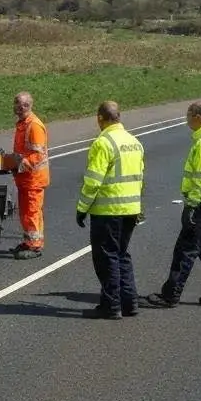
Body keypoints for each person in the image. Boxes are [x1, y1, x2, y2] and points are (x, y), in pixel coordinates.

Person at [147, 101, 201, 308]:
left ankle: (170, 295)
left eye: (189, 115)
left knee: (185, 250)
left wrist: (192, 205)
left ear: (199, 117)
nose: (186, 120)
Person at [75, 100, 145, 319]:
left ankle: (111, 306)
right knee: (122, 255)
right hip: (131, 208)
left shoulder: (103, 143)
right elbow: (140, 177)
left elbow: (93, 181)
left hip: (108, 210)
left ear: (100, 118)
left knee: (107, 258)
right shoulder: (134, 142)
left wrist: (82, 208)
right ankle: (130, 302)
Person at [0, 91, 50, 259]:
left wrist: (18, 165)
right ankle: (29, 241)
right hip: (25, 179)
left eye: (20, 104)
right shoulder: (22, 124)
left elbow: (38, 156)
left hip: (33, 179)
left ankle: (35, 245)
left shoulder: (34, 126)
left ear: (27, 106)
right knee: (26, 212)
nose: (17, 107)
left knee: (32, 212)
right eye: (16, 103)